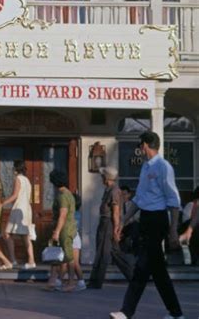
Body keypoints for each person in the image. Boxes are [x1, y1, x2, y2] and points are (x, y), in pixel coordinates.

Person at [110, 131, 184, 319]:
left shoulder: (163, 167)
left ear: (145, 145)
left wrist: (173, 230)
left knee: (143, 268)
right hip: (146, 220)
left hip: (158, 220)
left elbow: (173, 200)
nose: (140, 149)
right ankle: (175, 313)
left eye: (140, 145)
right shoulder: (145, 168)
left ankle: (127, 312)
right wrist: (122, 222)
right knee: (156, 271)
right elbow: (138, 200)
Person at [88, 167, 134, 289]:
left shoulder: (113, 191)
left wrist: (116, 230)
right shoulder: (109, 190)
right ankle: (133, 276)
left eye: (103, 176)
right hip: (106, 222)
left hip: (108, 223)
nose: (101, 178)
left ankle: (96, 282)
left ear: (107, 178)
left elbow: (115, 211)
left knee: (102, 252)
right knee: (115, 253)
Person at [45, 170, 77, 292]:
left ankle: (71, 282)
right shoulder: (69, 194)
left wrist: (57, 231)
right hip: (69, 227)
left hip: (65, 229)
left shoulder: (63, 195)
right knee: (58, 256)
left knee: (68, 256)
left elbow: (62, 214)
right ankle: (54, 281)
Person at [2, 159, 36, 269]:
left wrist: (3, 203)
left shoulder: (18, 179)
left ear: (16, 169)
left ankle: (13, 260)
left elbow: (15, 195)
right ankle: (31, 261)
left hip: (18, 208)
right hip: (26, 209)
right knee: (26, 236)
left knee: (8, 234)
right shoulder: (27, 180)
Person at [55, 192, 86, 292]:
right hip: (76, 237)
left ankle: (60, 281)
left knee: (66, 261)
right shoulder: (78, 214)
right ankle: (80, 282)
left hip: (70, 237)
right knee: (74, 262)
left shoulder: (70, 214)